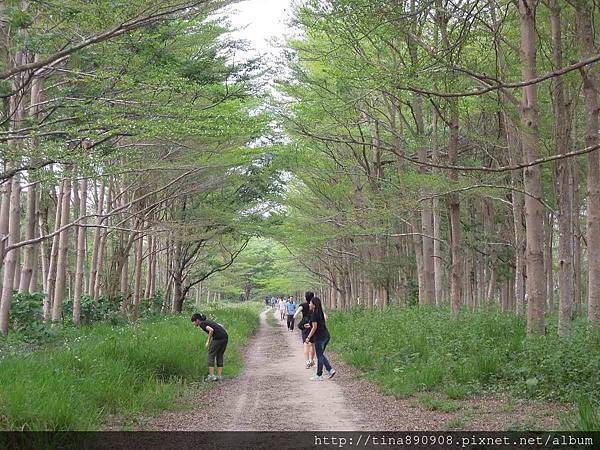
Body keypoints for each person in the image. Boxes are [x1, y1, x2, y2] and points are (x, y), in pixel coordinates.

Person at [305, 297, 336, 381]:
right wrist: (310, 325)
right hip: (326, 336)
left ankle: (319, 375)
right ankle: (330, 370)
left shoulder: (314, 314)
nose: (309, 304)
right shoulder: (320, 312)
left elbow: (315, 327)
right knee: (321, 355)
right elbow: (319, 324)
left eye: (311, 303)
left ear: (314, 305)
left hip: (320, 338)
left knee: (319, 355)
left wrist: (308, 337)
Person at [191, 313, 229, 382]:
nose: (193, 324)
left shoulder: (201, 324)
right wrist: (219, 334)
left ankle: (211, 376)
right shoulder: (209, 321)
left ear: (197, 320)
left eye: (193, 322)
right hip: (225, 337)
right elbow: (220, 325)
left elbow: (211, 330)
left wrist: (208, 341)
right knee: (219, 355)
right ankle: (219, 376)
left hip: (218, 338)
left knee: (211, 355)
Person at [294, 291, 315, 368]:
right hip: (313, 326)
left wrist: (295, 316)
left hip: (305, 327)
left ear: (305, 297)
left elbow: (295, 315)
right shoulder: (315, 305)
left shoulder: (303, 305)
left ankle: (307, 362)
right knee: (312, 344)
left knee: (306, 344)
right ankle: (312, 360)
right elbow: (325, 316)